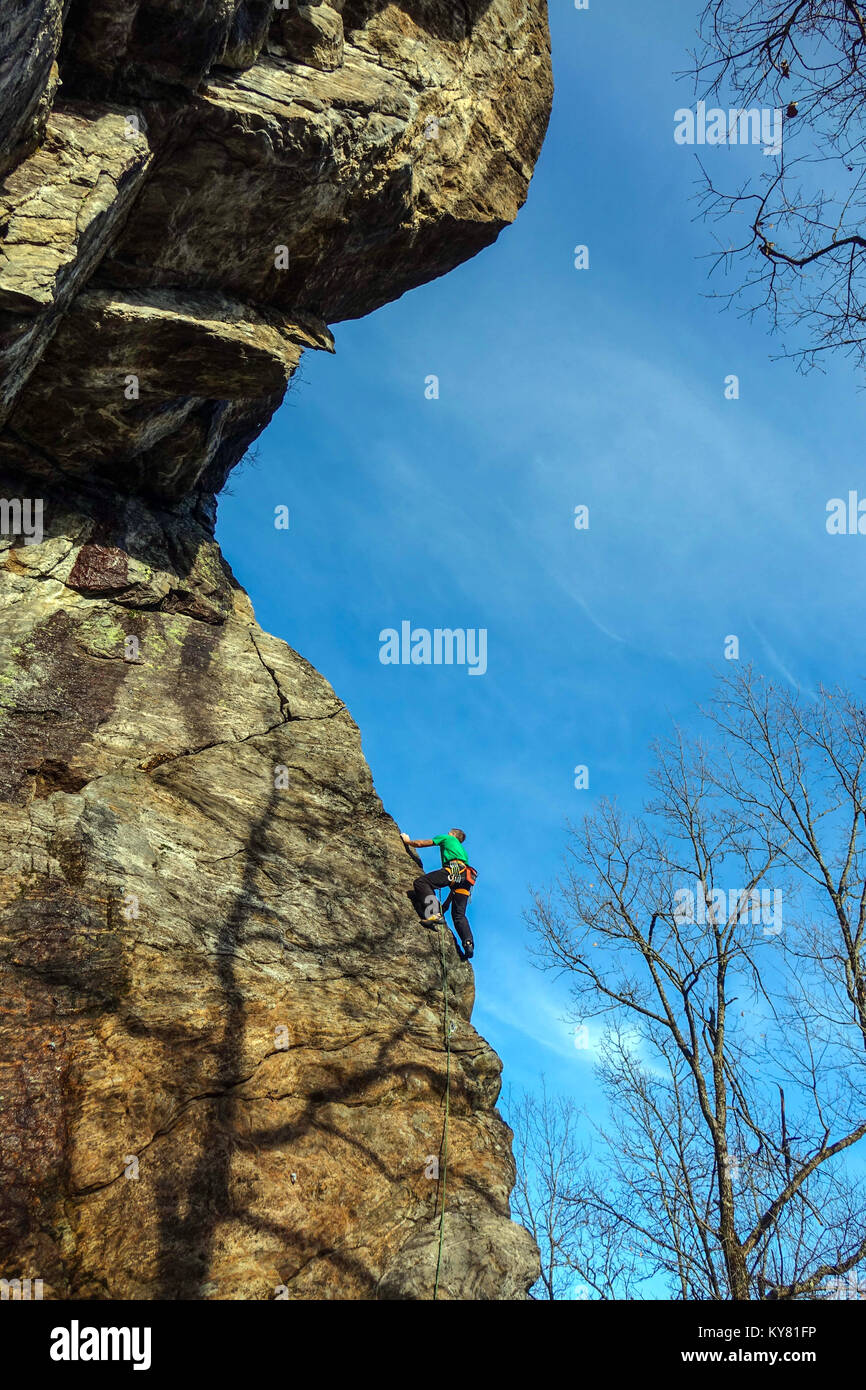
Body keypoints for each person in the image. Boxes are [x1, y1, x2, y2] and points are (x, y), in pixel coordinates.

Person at [402, 828, 476, 961]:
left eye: (449, 832)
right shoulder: (462, 851)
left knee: (421, 882)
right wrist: (445, 906)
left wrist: (408, 842)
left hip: (454, 869)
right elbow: (455, 888)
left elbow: (422, 843)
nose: (447, 833)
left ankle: (433, 912)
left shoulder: (448, 838)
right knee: (459, 916)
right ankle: (468, 943)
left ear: (452, 834)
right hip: (467, 877)